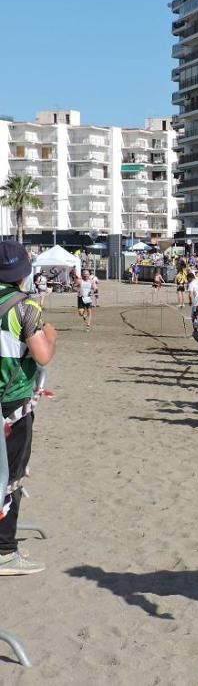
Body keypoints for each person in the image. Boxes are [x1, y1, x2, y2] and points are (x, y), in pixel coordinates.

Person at [0, 241, 57, 575]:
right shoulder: (25, 306)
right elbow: (43, 355)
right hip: (13, 403)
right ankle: (5, 550)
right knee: (11, 476)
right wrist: (51, 334)